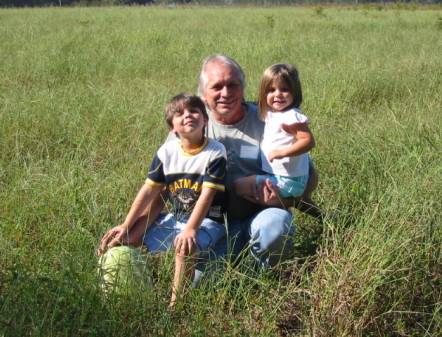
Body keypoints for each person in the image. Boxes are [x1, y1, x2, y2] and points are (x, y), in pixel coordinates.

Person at [99, 54, 319, 279]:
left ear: (243, 87)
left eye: (232, 85)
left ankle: (266, 280)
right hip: (208, 224)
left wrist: (286, 200)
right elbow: (162, 189)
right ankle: (224, 268)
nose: (226, 93)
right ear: (203, 95)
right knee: (201, 285)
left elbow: (307, 174)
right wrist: (132, 229)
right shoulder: (190, 127)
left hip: (257, 217)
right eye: (217, 87)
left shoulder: (269, 119)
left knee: (275, 224)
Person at [98, 93, 227, 308]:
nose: (188, 116)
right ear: (172, 128)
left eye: (194, 111)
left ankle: (175, 306)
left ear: (205, 120)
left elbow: (207, 196)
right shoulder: (166, 152)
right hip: (175, 218)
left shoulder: (215, 151)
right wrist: (126, 225)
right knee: (125, 239)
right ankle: (131, 295)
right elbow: (149, 190)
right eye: (180, 114)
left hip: (208, 222)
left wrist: (191, 229)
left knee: (184, 248)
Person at [234, 64, 316, 202]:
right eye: (271, 90)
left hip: (286, 180)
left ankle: (265, 205)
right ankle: (322, 216)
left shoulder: (290, 117)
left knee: (238, 186)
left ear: (295, 92)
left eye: (284, 89)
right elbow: (257, 104)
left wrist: (282, 152)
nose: (277, 94)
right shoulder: (274, 112)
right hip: (285, 177)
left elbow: (308, 141)